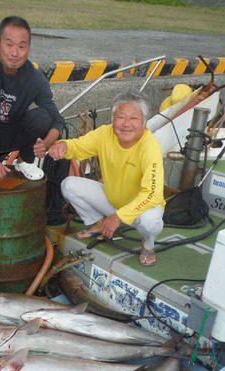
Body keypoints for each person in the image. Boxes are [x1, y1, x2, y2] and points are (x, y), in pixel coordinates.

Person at [49, 91, 165, 267]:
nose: (126, 124)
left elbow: (153, 195)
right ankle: (97, 223)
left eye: (133, 118)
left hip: (140, 208)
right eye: (120, 117)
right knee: (68, 185)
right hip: (112, 200)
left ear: (144, 123)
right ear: (113, 119)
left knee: (152, 221)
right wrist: (64, 146)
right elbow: (79, 146)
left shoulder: (150, 147)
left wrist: (118, 217)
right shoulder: (104, 134)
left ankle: (148, 245)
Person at [0, 15, 65, 182]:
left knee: (45, 116)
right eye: (9, 45)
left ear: (28, 49)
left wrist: (46, 143)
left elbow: (58, 120)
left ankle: (25, 161)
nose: (15, 53)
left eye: (22, 46)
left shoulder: (35, 78)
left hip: (16, 132)